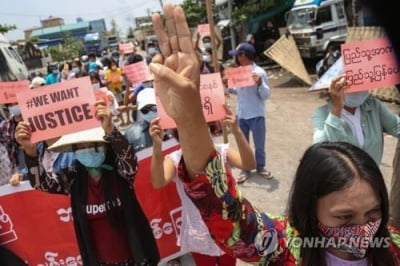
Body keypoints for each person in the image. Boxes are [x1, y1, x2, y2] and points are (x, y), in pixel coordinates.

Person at [149, 4, 400, 265]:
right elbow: (228, 215)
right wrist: (190, 117)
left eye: (373, 214)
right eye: (344, 217)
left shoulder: (394, 247)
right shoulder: (286, 248)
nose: (363, 231)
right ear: (310, 211)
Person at [14, 101, 160, 265]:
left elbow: (129, 158)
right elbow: (41, 183)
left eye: (93, 144)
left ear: (105, 145)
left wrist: (111, 129)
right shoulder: (73, 178)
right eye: (81, 146)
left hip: (137, 258)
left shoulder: (121, 171)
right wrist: (30, 152)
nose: (87, 149)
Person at [149, 105, 255, 265]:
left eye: (201, 128)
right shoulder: (175, 159)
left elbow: (249, 164)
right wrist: (157, 147)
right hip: (199, 234)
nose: (195, 135)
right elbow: (158, 182)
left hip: (229, 231)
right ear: (179, 133)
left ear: (210, 129)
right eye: (188, 130)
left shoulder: (222, 152)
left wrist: (237, 131)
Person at [312, 75, 400, 164]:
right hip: (340, 176)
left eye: (360, 83)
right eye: (349, 84)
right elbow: (320, 148)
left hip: (370, 175)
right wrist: (336, 109)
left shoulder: (374, 106)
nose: (357, 90)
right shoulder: (322, 113)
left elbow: (396, 126)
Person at [225, 42, 273, 182]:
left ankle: (260, 167)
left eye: (238, 55)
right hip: (242, 115)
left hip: (257, 114)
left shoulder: (259, 73)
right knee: (243, 144)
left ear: (243, 56)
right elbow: (236, 91)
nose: (237, 58)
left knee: (259, 145)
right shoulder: (238, 72)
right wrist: (226, 85)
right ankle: (245, 169)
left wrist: (259, 84)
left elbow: (265, 95)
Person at [124, 87, 157, 151]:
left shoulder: (175, 127)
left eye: (153, 108)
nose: (150, 112)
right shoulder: (131, 134)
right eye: (144, 110)